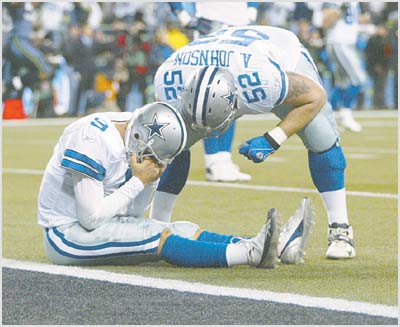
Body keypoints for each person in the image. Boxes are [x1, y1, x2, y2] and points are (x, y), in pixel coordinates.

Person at [153, 25, 355, 260]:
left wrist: (274, 138)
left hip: (277, 52)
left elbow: (315, 96)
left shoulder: (262, 82)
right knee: (170, 141)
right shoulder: (168, 79)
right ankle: (157, 225)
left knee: (321, 135)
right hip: (217, 59)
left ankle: (340, 229)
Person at [37, 101, 314, 267]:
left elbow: (131, 216)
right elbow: (89, 218)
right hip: (66, 235)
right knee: (157, 235)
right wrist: (138, 181)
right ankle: (251, 253)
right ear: (138, 138)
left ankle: (268, 247)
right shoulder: (90, 138)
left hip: (96, 223)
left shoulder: (139, 129)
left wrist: (145, 183)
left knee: (180, 228)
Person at [168, 2, 259, 182]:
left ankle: (224, 159)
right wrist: (182, 15)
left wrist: (251, 9)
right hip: (211, 25)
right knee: (209, 95)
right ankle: (212, 160)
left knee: (232, 94)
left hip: (240, 27)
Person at [321, 2, 369, 132]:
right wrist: (340, 9)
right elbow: (325, 21)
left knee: (342, 83)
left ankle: (326, 117)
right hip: (339, 42)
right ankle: (345, 114)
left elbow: (358, 19)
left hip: (348, 43)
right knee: (358, 79)